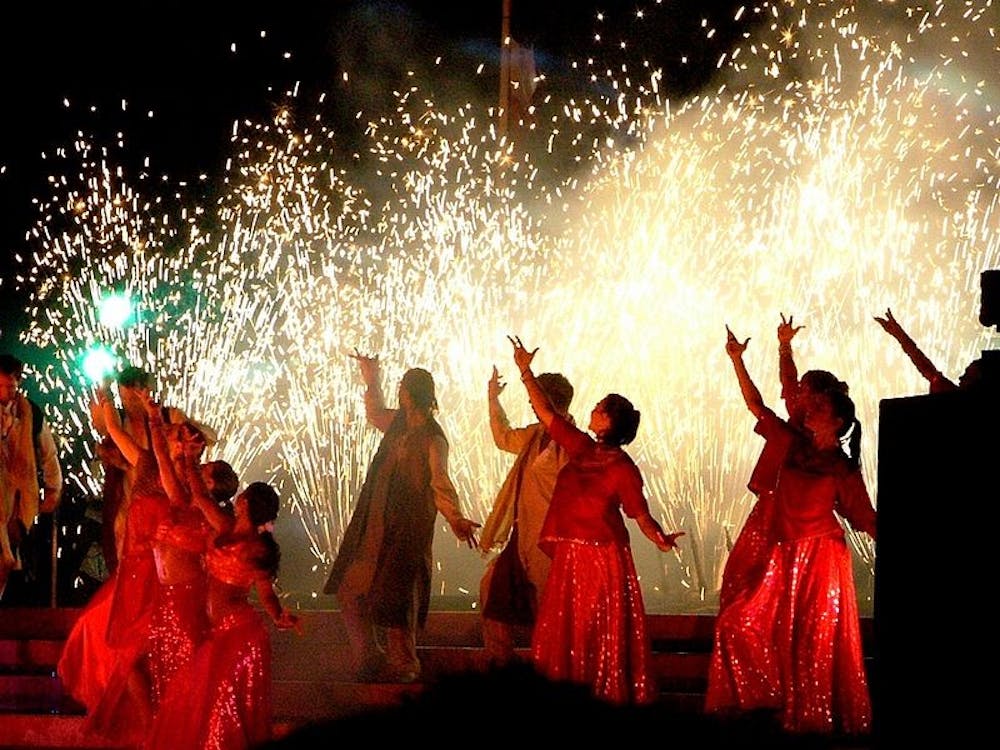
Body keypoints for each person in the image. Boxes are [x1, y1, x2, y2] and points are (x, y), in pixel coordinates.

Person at [705, 326, 877, 736]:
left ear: (837, 420)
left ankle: (811, 711)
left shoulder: (841, 467)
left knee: (813, 636)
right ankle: (766, 697)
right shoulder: (790, 440)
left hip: (820, 557)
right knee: (741, 617)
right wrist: (739, 358)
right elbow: (761, 402)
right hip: (784, 550)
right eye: (806, 401)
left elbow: (864, 517)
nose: (805, 405)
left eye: (816, 403)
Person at [508, 335, 684, 706]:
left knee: (594, 628)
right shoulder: (581, 447)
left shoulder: (622, 467)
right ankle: (566, 694)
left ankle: (603, 696)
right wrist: (525, 372)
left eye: (601, 408)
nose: (594, 408)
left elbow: (640, 514)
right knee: (564, 628)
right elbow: (548, 415)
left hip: (601, 559)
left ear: (609, 422)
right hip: (572, 557)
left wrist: (659, 538)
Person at [323, 350, 481, 684]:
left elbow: (441, 482)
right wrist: (372, 380)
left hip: (406, 530)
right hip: (375, 526)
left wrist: (455, 519)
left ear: (408, 395)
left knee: (397, 599)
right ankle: (368, 656)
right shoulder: (399, 424)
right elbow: (375, 413)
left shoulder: (433, 438)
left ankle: (405, 664)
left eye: (402, 389)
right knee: (350, 591)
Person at [146, 480, 301, 750]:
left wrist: (278, 615)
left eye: (244, 495)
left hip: (240, 635)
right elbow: (199, 495)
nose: (239, 497)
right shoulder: (224, 526)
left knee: (222, 702)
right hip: (216, 631)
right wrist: (187, 456)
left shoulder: (259, 549)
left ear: (246, 504)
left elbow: (266, 594)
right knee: (204, 700)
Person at [726, 314, 848, 609]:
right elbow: (787, 380)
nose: (792, 392)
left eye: (803, 390)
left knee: (766, 593)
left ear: (818, 400)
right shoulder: (794, 426)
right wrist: (783, 346)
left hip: (788, 524)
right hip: (773, 515)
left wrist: (740, 361)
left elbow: (759, 402)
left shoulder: (801, 440)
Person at [478, 365, 574, 667]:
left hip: (552, 542)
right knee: (490, 590)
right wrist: (493, 400)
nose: (531, 405)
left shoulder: (572, 442)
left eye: (535, 400)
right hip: (522, 537)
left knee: (547, 611)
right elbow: (504, 437)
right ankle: (500, 668)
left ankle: (549, 675)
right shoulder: (535, 434)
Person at [89, 365, 187, 576]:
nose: (129, 404)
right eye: (124, 399)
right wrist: (103, 398)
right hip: (129, 507)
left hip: (165, 514)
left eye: (133, 399)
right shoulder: (142, 456)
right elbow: (110, 428)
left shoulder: (169, 423)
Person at [0, 353, 62, 605]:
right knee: (4, 557)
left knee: (8, 557)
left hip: (19, 497)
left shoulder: (30, 412)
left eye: (10, 386)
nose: (5, 391)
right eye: (0, 386)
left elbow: (48, 454)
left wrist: (53, 489)